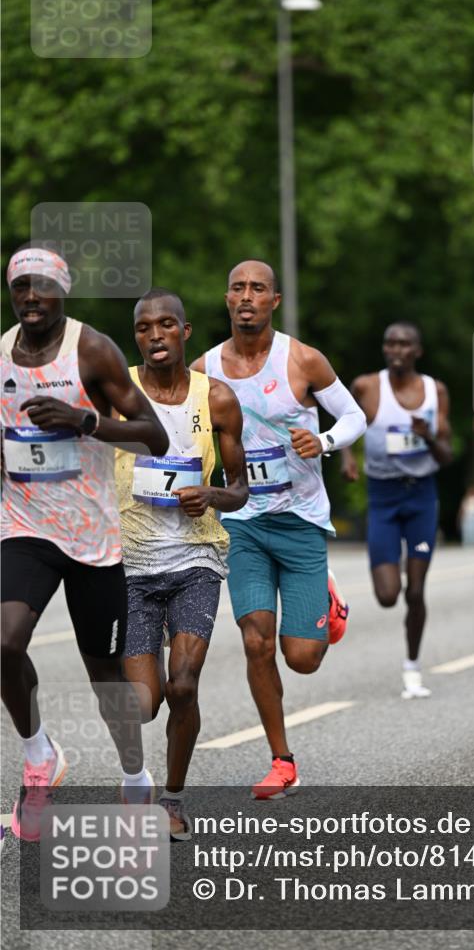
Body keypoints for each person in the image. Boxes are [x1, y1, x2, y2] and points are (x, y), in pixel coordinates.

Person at [1, 246, 169, 840]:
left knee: (104, 675)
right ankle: (39, 755)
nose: (30, 297)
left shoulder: (91, 349)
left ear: (61, 291)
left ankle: (135, 776)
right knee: (4, 641)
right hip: (24, 526)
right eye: (20, 287)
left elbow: (155, 435)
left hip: (94, 537)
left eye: (41, 287)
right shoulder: (0, 352)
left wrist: (86, 422)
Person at [191, 259, 366, 799]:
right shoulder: (204, 369)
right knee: (256, 642)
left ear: (275, 301)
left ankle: (327, 605)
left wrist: (327, 442)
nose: (247, 296)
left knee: (303, 658)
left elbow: (356, 416)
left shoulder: (303, 360)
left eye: (258, 289)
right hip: (242, 522)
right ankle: (281, 759)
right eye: (238, 288)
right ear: (227, 300)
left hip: (301, 520)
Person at [115, 288, 248, 838]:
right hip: (130, 566)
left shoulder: (215, 398)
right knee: (144, 706)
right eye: (144, 327)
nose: (155, 335)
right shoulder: (115, 391)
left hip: (197, 557)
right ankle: (137, 781)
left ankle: (171, 799)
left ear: (185, 332)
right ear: (137, 336)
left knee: (184, 685)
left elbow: (240, 488)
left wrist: (212, 497)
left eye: (166, 325)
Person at [341, 322, 452, 699]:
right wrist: (347, 458)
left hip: (422, 496)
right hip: (383, 497)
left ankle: (412, 668)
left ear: (418, 350)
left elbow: (447, 455)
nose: (396, 350)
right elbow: (346, 423)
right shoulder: (367, 386)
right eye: (390, 343)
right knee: (389, 595)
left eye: (405, 344)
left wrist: (429, 436)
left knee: (416, 591)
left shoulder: (435, 392)